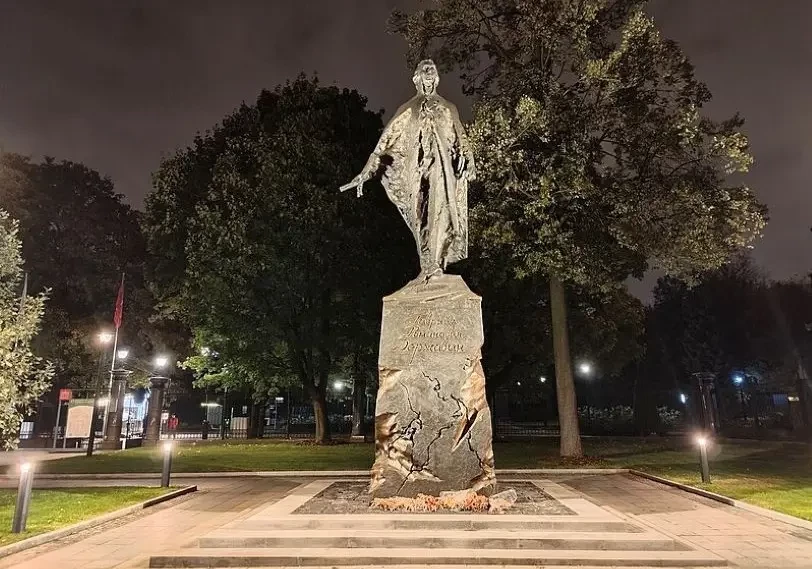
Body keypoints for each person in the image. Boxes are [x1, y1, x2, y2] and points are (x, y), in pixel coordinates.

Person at [340, 59, 476, 278]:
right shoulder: (409, 109)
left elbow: (461, 137)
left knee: (440, 210)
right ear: (417, 78)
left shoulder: (448, 107)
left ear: (436, 77)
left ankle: (435, 263)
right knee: (419, 216)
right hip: (416, 172)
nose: (429, 74)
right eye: (425, 70)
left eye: (432, 70)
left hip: (442, 169)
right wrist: (366, 171)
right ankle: (427, 263)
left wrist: (469, 160)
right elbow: (384, 142)